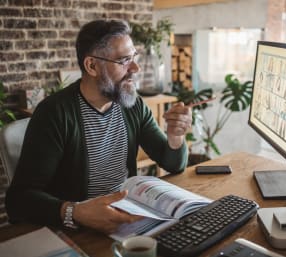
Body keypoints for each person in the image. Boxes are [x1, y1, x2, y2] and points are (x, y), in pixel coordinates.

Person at [5, 20, 192, 234]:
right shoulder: (54, 113)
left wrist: (176, 137)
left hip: (125, 218)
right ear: (92, 66)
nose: (135, 68)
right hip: (76, 230)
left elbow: (173, 164)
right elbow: (19, 199)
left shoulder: (132, 104)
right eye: (124, 60)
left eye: (134, 57)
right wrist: (75, 212)